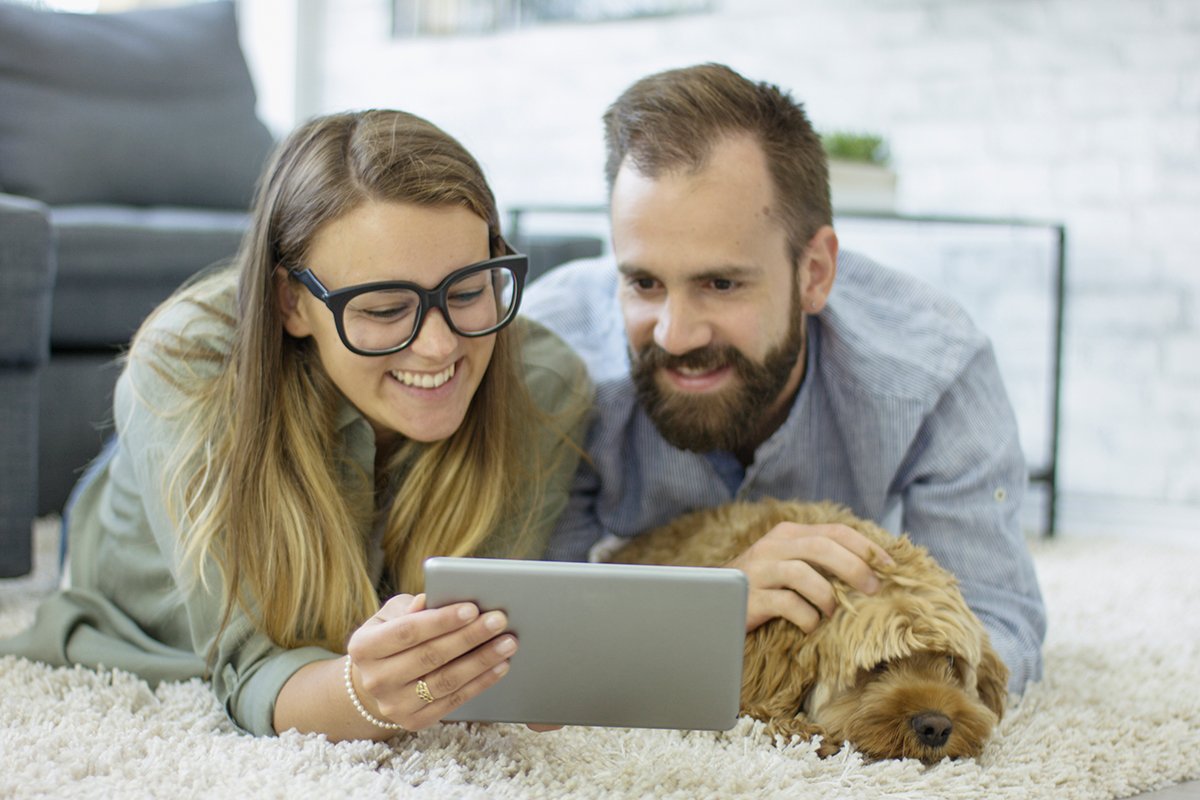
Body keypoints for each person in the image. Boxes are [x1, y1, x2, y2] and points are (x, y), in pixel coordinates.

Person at [0, 110, 591, 739]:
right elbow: (255, 675)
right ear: (292, 302)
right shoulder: (184, 363)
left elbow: (469, 640)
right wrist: (366, 697)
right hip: (138, 528)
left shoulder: (544, 378)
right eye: (387, 307)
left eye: (469, 290)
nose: (441, 346)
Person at [522, 63, 1046, 691]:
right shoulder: (555, 363)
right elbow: (529, 630)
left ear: (816, 272)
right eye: (644, 282)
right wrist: (703, 614)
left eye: (721, 284)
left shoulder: (933, 370)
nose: (674, 335)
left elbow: (995, 622)